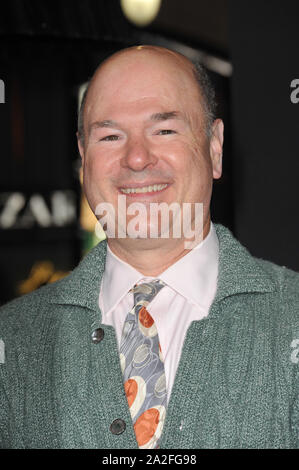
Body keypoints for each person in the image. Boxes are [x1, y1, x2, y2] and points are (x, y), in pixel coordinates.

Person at [0, 45, 298, 450]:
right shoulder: (12, 340)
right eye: (110, 136)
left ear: (215, 146)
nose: (137, 158)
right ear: (84, 157)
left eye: (164, 130)